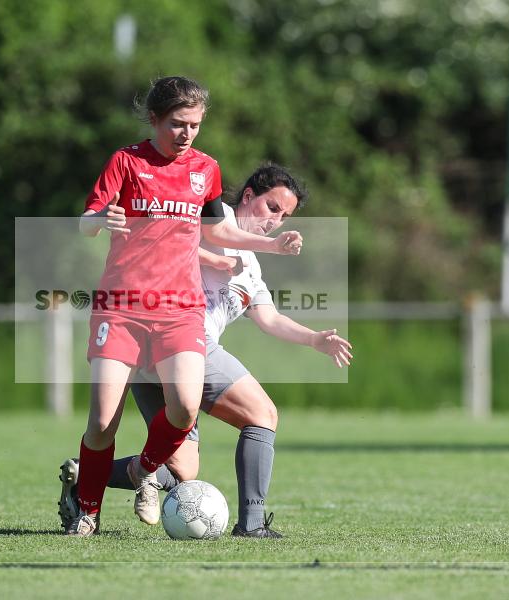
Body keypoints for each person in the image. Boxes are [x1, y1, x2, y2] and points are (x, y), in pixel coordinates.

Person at [59, 164, 352, 537]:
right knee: (262, 414)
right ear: (248, 196)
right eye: (272, 207)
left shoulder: (252, 270)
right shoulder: (218, 216)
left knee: (182, 469)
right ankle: (252, 525)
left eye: (284, 216)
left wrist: (314, 339)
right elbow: (165, 239)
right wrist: (217, 259)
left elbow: (270, 319)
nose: (275, 221)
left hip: (162, 361)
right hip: (178, 335)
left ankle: (87, 476)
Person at [68, 78, 304, 537]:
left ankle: (143, 472)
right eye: (178, 123)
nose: (187, 133)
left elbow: (218, 231)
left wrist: (270, 245)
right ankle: (87, 512)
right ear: (155, 119)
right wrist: (101, 219)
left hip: (180, 311)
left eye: (195, 125)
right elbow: (85, 223)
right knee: (101, 423)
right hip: (122, 308)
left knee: (184, 409)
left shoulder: (205, 168)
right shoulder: (126, 161)